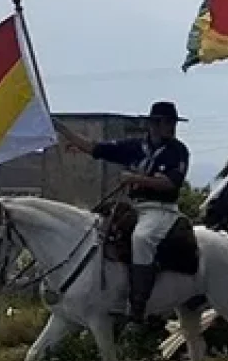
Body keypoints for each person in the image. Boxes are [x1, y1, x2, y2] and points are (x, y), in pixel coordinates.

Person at [55, 101, 190, 324]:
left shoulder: (178, 151)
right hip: (135, 206)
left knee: (142, 238)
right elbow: (95, 148)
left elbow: (170, 183)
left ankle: (138, 305)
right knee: (98, 229)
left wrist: (136, 178)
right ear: (154, 124)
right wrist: (63, 130)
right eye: (167, 122)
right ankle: (101, 292)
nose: (172, 127)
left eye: (172, 123)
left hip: (161, 210)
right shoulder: (134, 147)